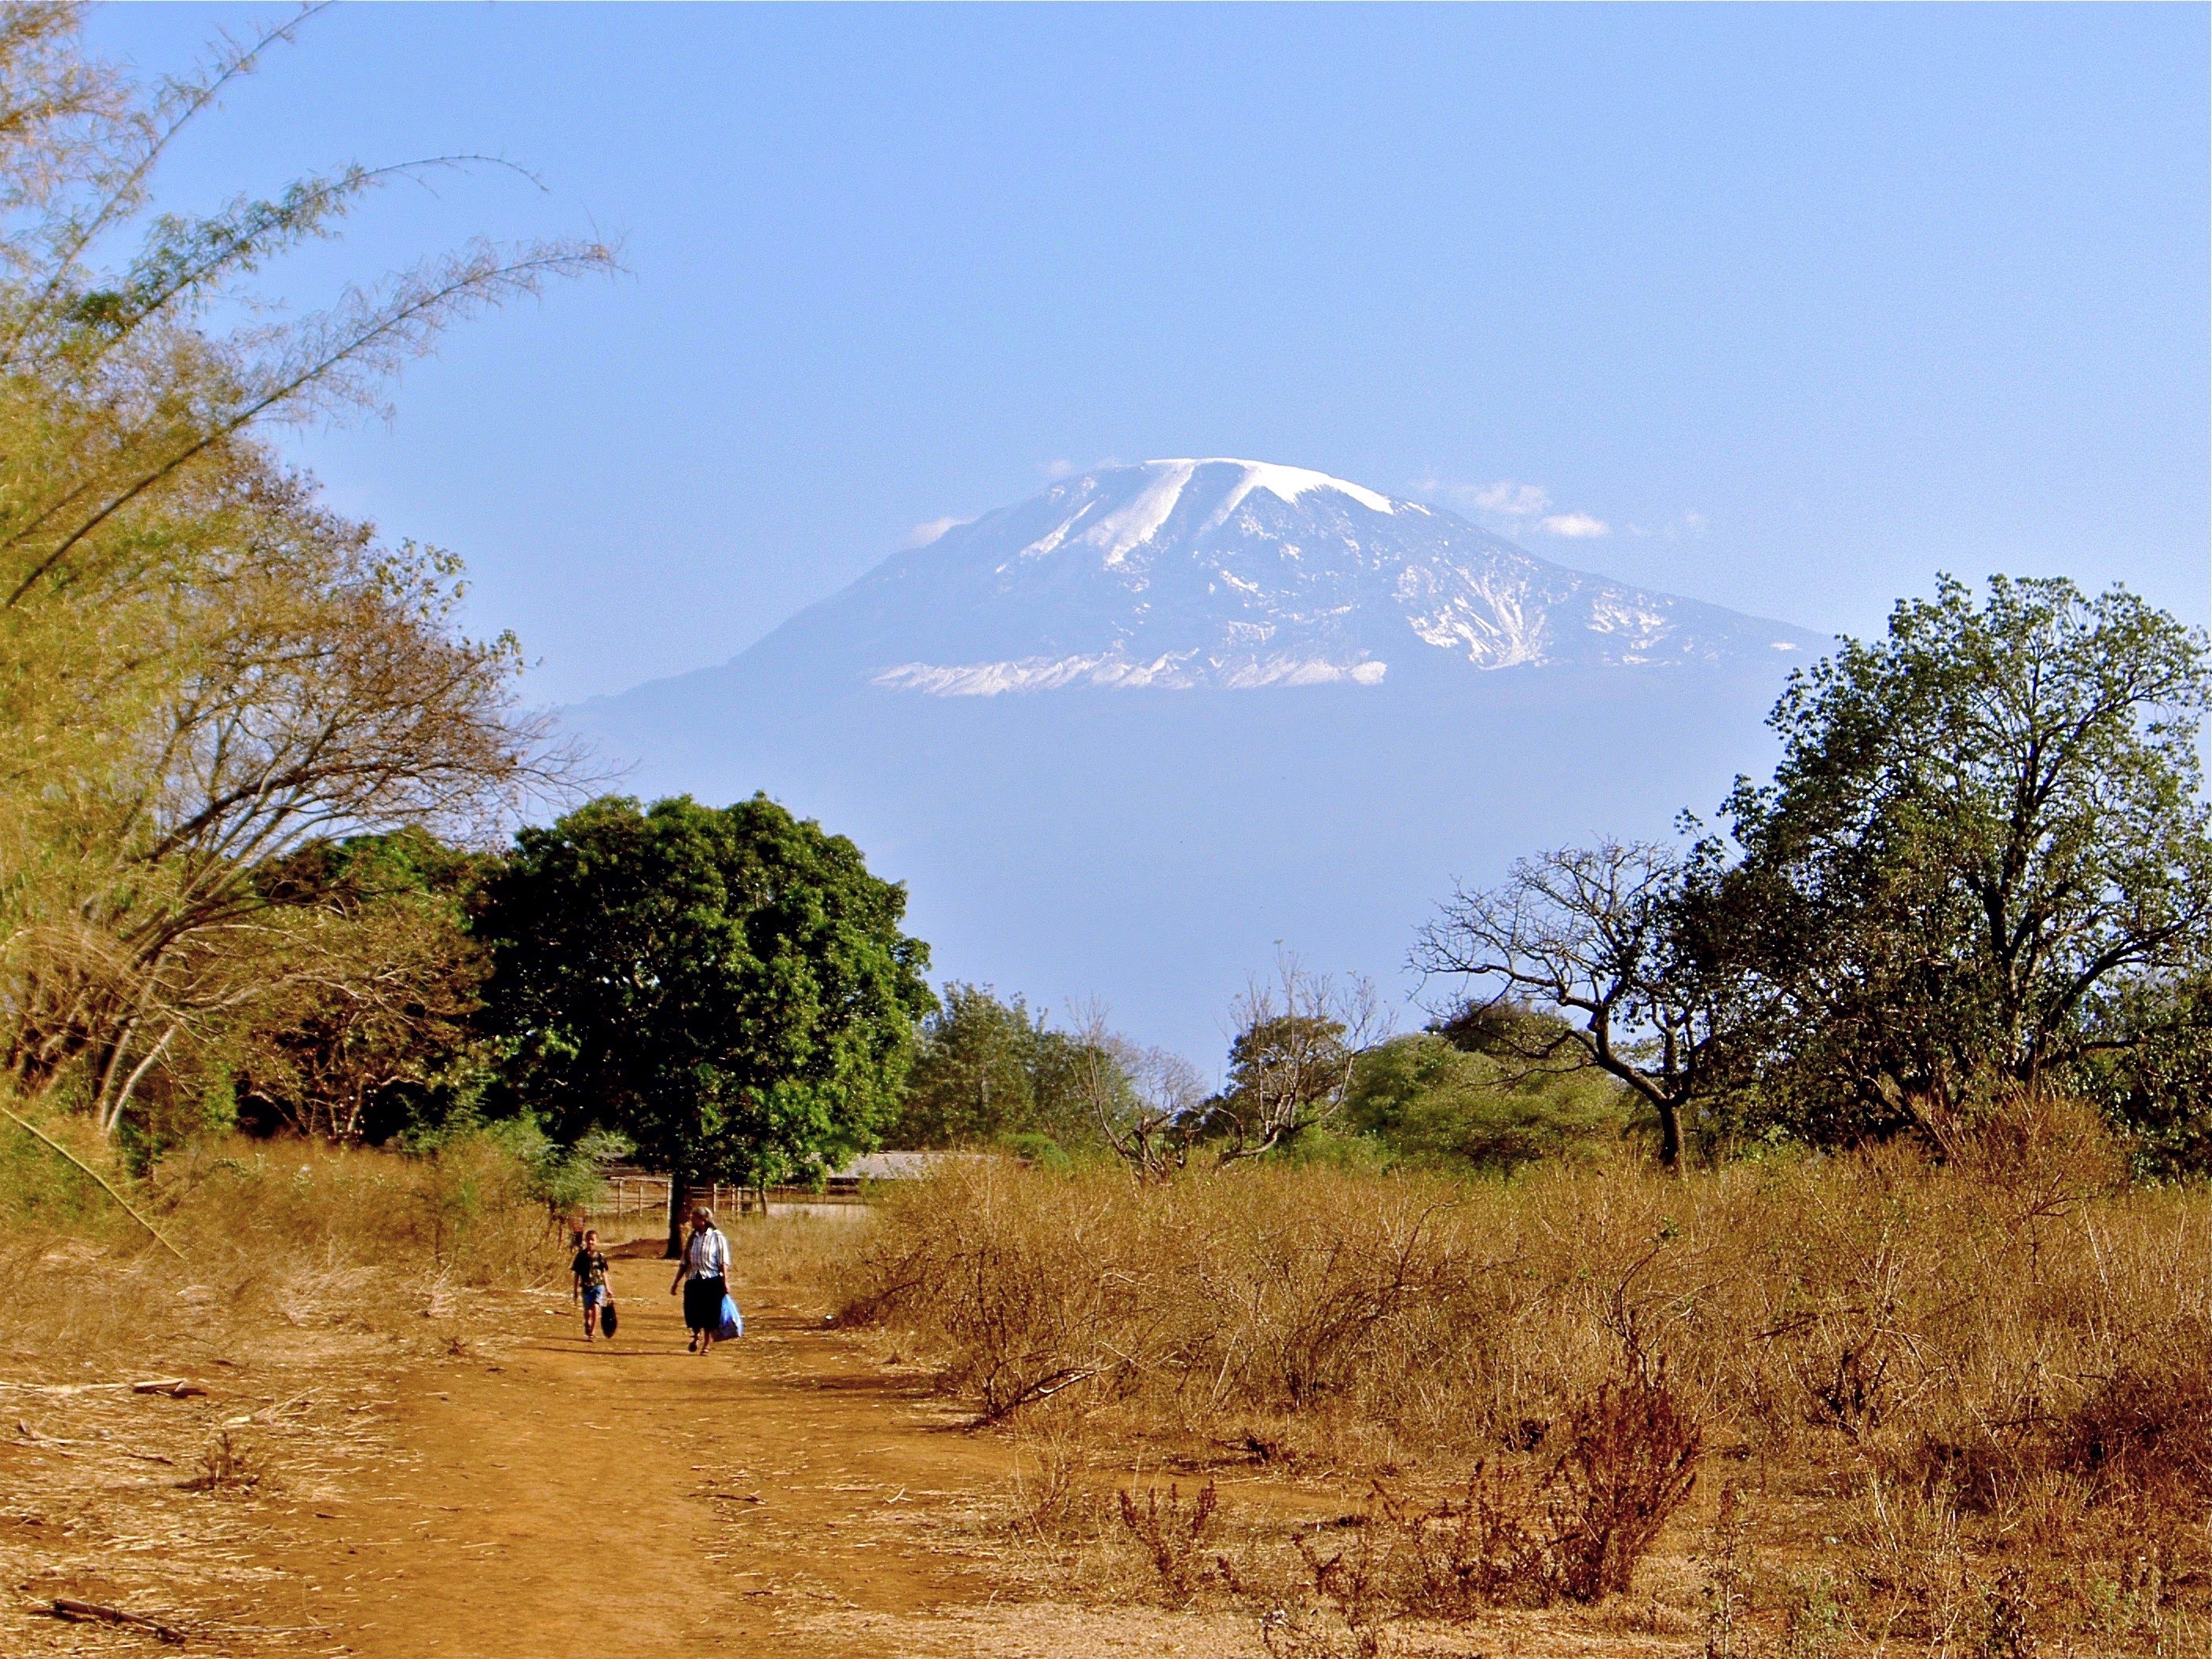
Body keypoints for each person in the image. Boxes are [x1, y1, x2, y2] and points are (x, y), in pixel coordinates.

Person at [669, 1206, 731, 1353]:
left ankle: (707, 1344)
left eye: (694, 1219)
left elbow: (723, 1262)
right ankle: (696, 1334)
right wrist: (676, 1283)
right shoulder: (692, 1238)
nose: (691, 1222)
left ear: (703, 1220)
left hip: (711, 1280)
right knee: (692, 1311)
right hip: (693, 1280)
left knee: (709, 1314)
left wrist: (725, 1282)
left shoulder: (717, 1237)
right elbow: (684, 1262)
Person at [571, 1228, 611, 1341]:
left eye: (593, 1240)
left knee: (596, 1305)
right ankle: (587, 1322)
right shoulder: (580, 1256)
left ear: (596, 1241)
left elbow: (604, 1273)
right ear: (585, 1240)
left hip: (598, 1285)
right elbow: (577, 1274)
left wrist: (608, 1289)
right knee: (588, 1311)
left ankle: (592, 1333)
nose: (590, 1242)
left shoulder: (600, 1256)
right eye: (588, 1240)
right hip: (586, 1287)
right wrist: (575, 1290)